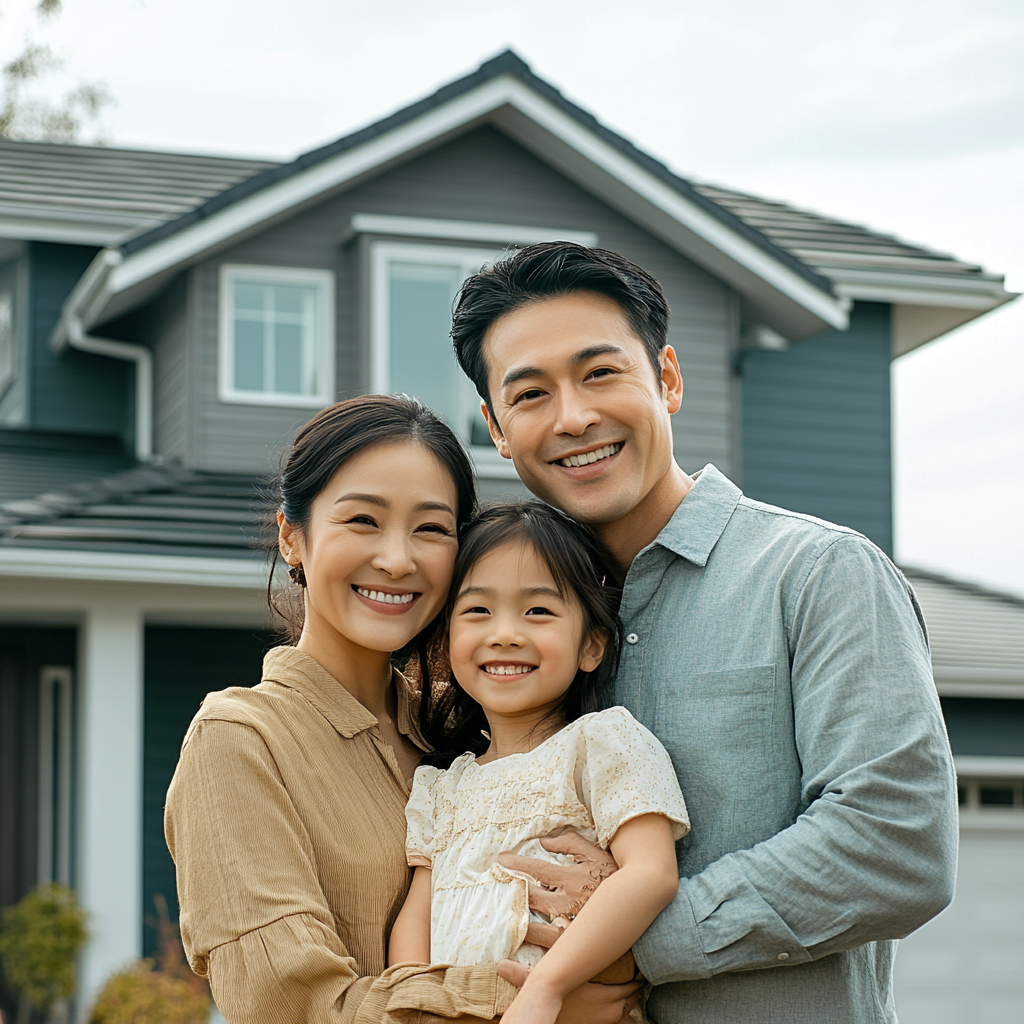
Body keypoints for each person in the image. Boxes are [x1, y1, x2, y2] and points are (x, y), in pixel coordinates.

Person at [449, 243, 958, 1024]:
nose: (574, 416)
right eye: (530, 394)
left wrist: (635, 935)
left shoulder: (818, 573)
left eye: (600, 372)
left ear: (669, 379)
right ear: (498, 428)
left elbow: (897, 844)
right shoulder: (505, 636)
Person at [164, 395, 641, 1024]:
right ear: (292, 537)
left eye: (431, 528)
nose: (397, 558)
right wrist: (527, 994)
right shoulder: (241, 740)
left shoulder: (475, 728)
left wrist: (607, 940)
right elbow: (291, 1006)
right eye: (362, 520)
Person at [388, 502, 689, 1024]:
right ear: (445, 640)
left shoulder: (602, 743)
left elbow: (651, 873)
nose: (505, 633)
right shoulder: (440, 785)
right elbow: (417, 913)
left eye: (538, 611)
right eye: (478, 610)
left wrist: (546, 989)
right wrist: (417, 1004)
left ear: (591, 645)